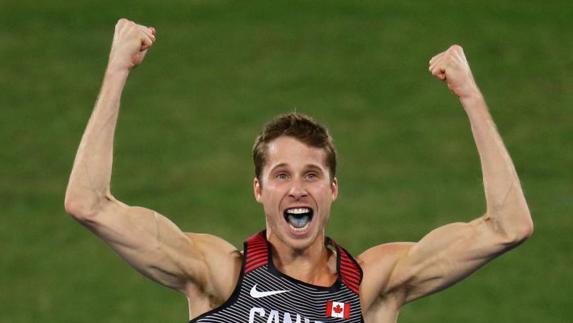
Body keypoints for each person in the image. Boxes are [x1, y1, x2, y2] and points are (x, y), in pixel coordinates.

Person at [65, 18, 533, 323]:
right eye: (281, 175)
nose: (296, 189)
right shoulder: (218, 275)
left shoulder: (369, 287)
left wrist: (470, 97)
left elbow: (508, 228)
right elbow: (88, 204)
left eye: (311, 175)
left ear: (333, 189)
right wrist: (117, 69)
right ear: (258, 189)